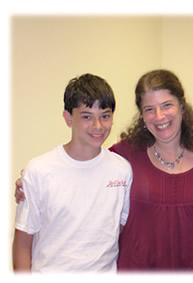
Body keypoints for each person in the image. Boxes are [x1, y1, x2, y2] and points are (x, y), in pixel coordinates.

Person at [14, 69, 193, 271]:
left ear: (182, 106)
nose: (159, 116)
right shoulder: (125, 155)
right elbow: (22, 243)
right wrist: (27, 183)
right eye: (149, 109)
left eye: (167, 105)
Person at [12, 74, 132, 273]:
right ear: (68, 118)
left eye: (105, 115)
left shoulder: (122, 170)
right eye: (86, 116)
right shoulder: (39, 170)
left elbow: (119, 229)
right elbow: (23, 244)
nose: (98, 126)